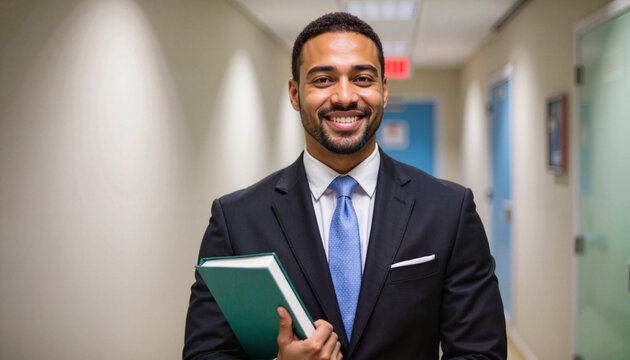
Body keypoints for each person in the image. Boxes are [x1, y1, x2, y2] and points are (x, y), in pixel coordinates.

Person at [184, 12, 507, 360]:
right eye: (323, 79)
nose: (344, 96)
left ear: (384, 90)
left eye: (362, 78)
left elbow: (480, 352)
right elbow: (205, 353)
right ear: (295, 93)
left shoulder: (449, 209)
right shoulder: (236, 220)